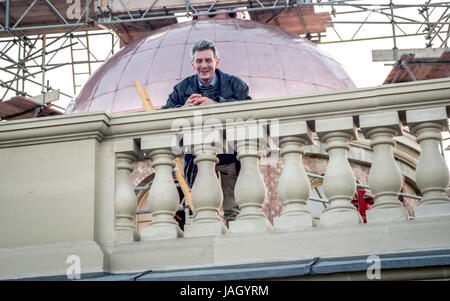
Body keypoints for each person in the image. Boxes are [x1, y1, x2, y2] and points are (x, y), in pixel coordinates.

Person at [162, 39, 252, 226]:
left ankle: (234, 246)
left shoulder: (235, 84)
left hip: (230, 156)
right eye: (199, 61)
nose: (204, 65)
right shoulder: (181, 88)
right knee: (204, 211)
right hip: (197, 159)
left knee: (234, 208)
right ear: (192, 64)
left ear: (217, 62)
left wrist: (217, 104)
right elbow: (165, 115)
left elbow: (249, 109)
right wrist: (183, 108)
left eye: (208, 60)